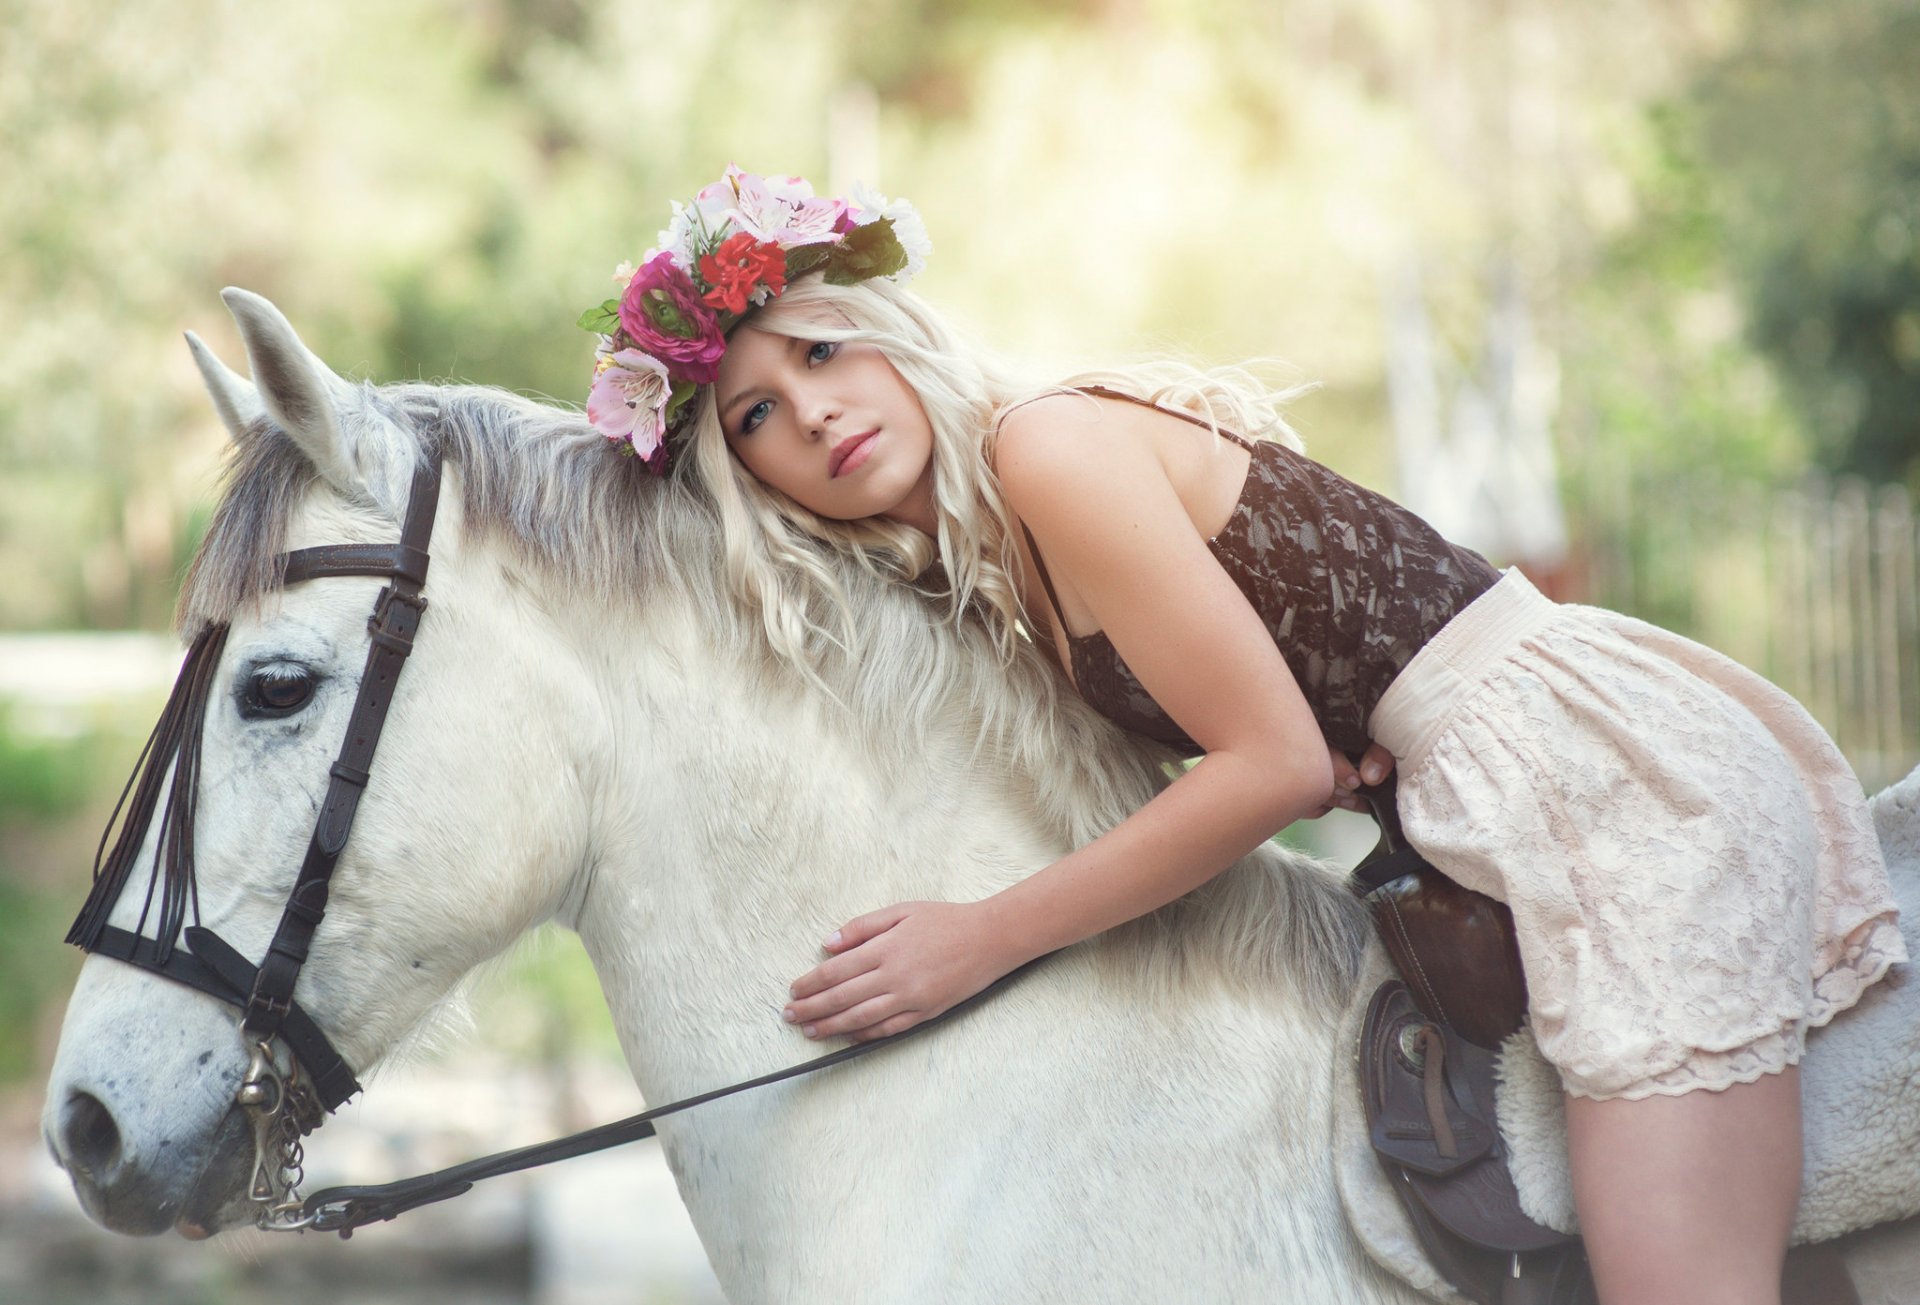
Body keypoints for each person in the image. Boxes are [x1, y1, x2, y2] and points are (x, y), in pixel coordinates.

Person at [583, 165, 1906, 1304]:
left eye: (821, 353)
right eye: (753, 413)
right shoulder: (999, 570)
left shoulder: (1048, 448)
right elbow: (1290, 730)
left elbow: (1264, 767)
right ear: (745, 472)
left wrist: (980, 934)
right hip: (1485, 789)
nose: (808, 413)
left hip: (1600, 778)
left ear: (890, 333)